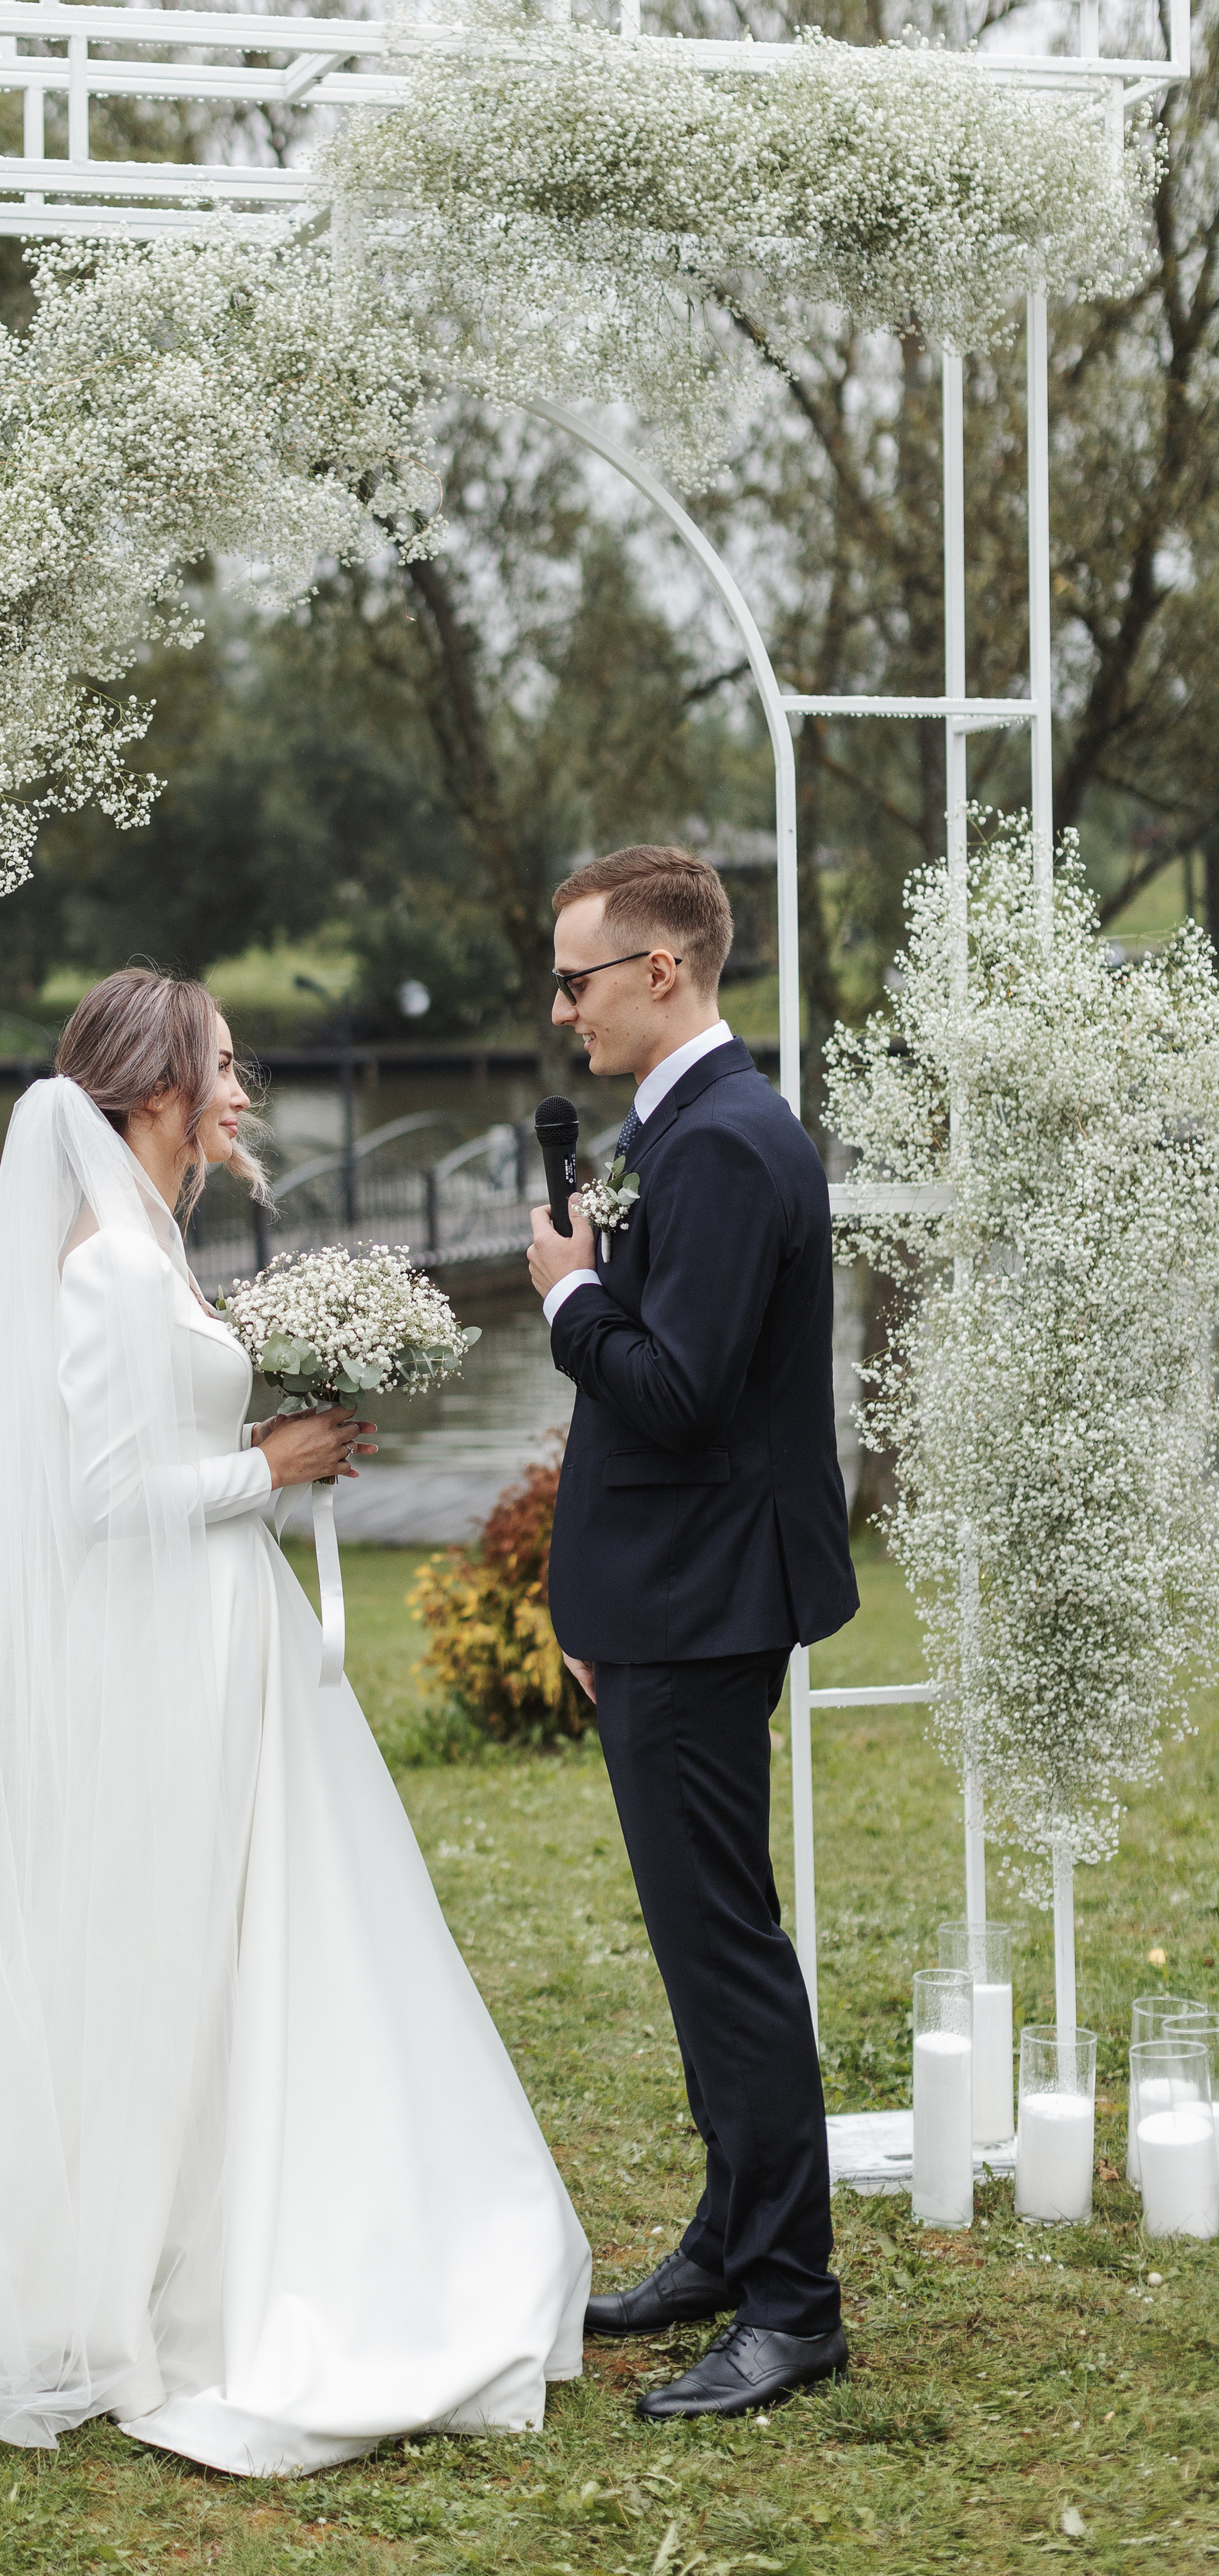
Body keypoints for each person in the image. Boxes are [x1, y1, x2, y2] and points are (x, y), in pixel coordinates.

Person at [0, 967, 589, 2471]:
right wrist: (277, 1464)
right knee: (169, 1944)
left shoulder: (142, 1243)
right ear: (153, 1090)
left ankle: (268, 2213)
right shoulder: (109, 1267)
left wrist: (271, 1442)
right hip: (176, 1645)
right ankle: (168, 2266)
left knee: (257, 1941)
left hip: (219, 1634)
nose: (242, 1094)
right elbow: (103, 1499)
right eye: (225, 1068)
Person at [526, 845, 858, 2422]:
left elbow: (675, 1391)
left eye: (576, 978)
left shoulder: (726, 1144)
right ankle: (729, 2244)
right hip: (661, 1596)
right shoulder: (690, 1129)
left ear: (661, 969)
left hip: (699, 1605)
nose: (559, 1007)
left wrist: (566, 1301)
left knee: (722, 1954)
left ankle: (791, 2304)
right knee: (700, 1939)